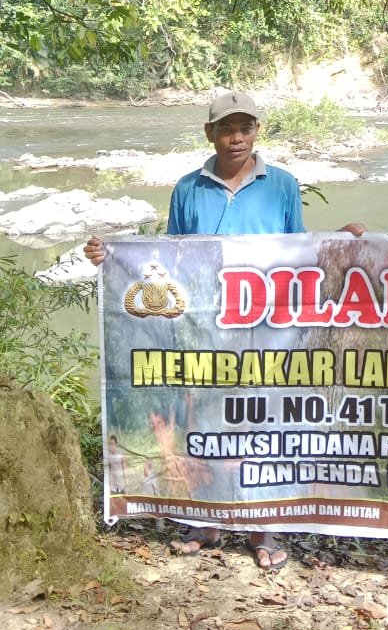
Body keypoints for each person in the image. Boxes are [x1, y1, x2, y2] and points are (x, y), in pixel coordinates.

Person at [86, 88, 365, 573]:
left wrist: (338, 241)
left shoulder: (281, 184)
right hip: (205, 328)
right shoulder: (188, 188)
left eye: (245, 128)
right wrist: (111, 257)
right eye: (227, 129)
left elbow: (297, 251)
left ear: (257, 131)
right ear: (209, 133)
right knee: (206, 423)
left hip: (266, 328)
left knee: (263, 425)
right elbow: (172, 256)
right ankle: (207, 521)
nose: (237, 138)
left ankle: (262, 528)